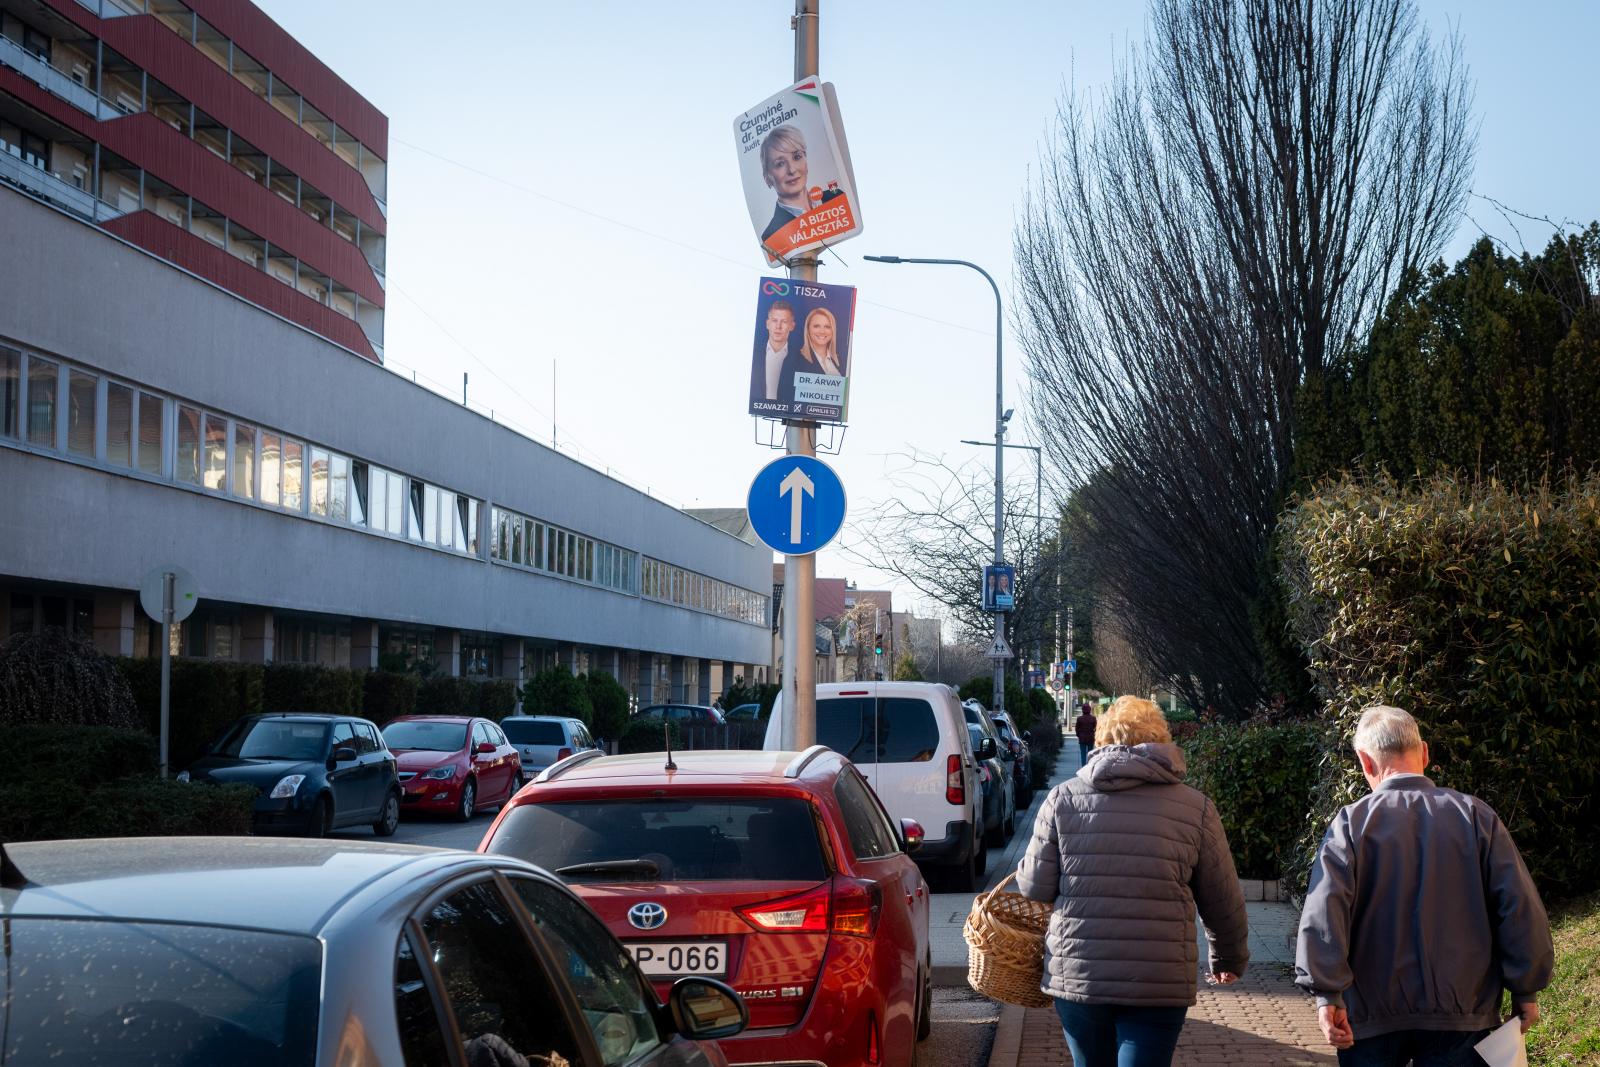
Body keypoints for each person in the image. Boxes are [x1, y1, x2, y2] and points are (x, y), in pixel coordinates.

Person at [1296, 705, 1553, 1064]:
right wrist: (1525, 988)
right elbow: (1517, 906)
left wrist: (1328, 994)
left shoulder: (1351, 824)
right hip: (1464, 1016)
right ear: (1425, 753)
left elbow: (1325, 911)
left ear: (1365, 762)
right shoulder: (1476, 817)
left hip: (1371, 1017)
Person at [1018, 695, 1249, 1067]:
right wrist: (1228, 956)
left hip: (1080, 974)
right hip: (1158, 978)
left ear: (1102, 739)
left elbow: (1034, 888)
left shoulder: (1062, 800)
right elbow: (1222, 896)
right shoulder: (1196, 807)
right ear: (1160, 739)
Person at [749, 299, 804, 406]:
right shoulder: (756, 356)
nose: (778, 326)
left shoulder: (800, 359)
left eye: (784, 321)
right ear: (767, 323)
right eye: (774, 320)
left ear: (792, 326)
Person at [759, 125, 809, 243]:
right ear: (767, 178)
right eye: (780, 164)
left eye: (797, 157)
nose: (791, 170)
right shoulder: (771, 236)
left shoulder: (836, 197)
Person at [797, 306, 845, 377]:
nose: (822, 331)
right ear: (808, 329)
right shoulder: (795, 359)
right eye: (816, 326)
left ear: (833, 330)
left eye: (827, 327)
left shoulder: (841, 361)